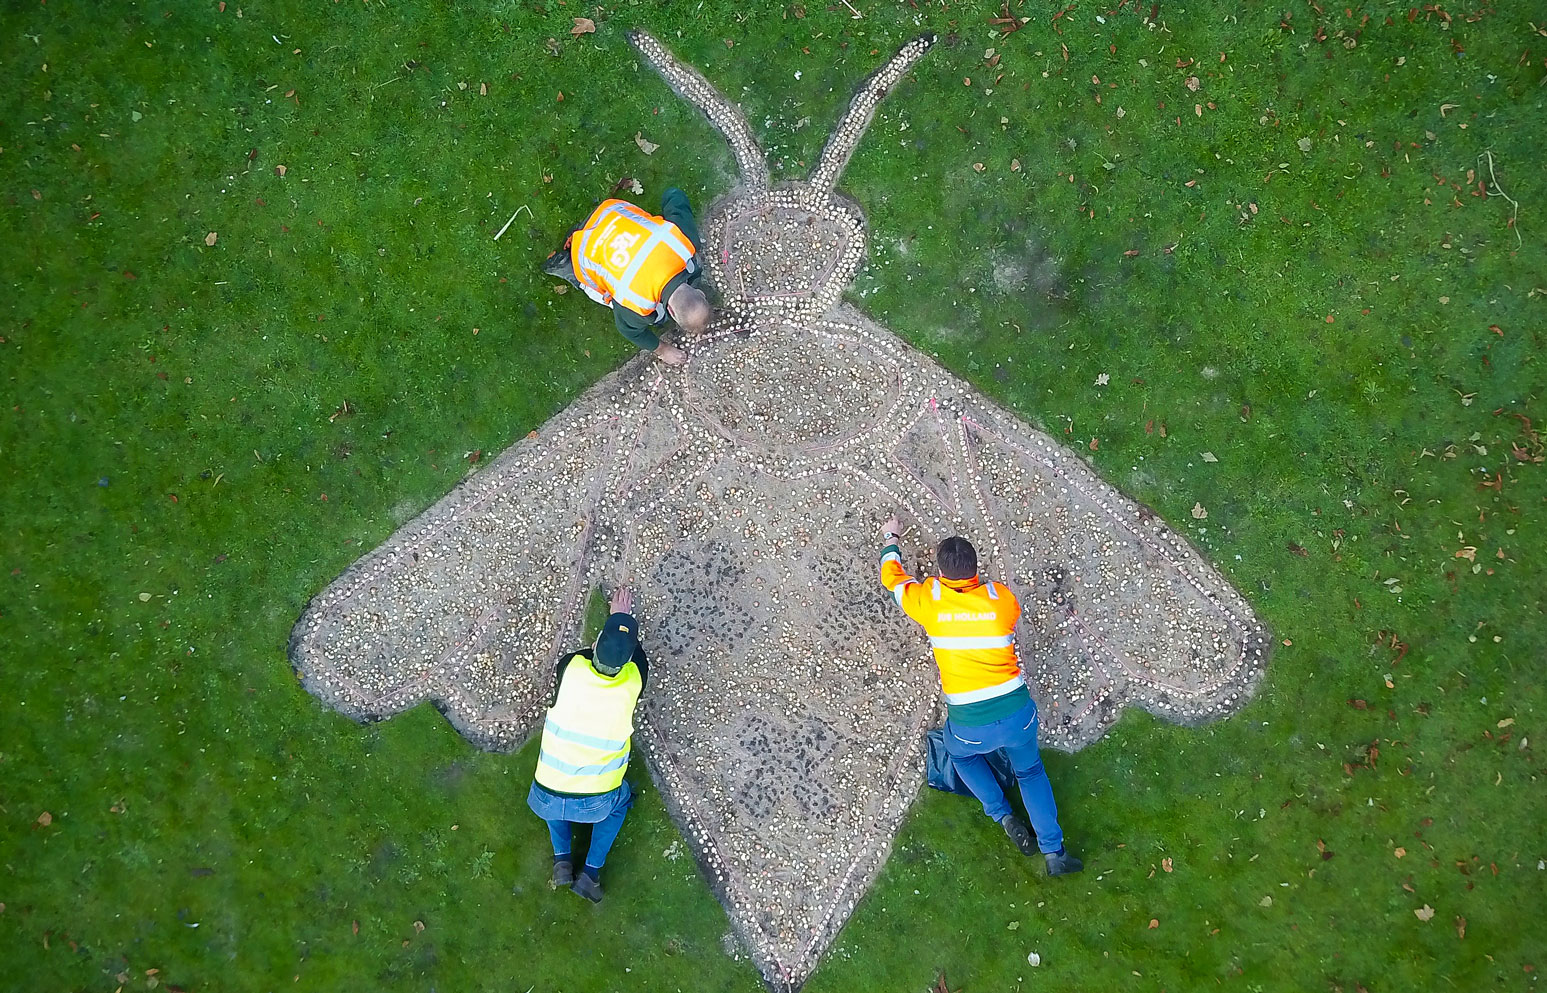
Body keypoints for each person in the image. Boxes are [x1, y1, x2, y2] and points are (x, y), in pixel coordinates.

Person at [878, 517, 1083, 876]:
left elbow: (892, 579)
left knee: (962, 757)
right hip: (1018, 713)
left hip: (970, 723)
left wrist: (891, 538)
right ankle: (1055, 853)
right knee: (1031, 771)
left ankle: (1003, 815)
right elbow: (1006, 617)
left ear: (941, 572)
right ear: (976, 568)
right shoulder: (1001, 600)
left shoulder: (929, 601)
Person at [525, 588, 650, 902]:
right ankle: (590, 874)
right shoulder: (634, 680)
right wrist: (622, 622)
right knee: (620, 803)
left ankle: (562, 860)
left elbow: (587, 656)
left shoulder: (571, 669)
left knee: (557, 793)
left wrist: (614, 621)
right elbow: (635, 659)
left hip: (545, 792)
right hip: (596, 801)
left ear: (595, 646)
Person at [542, 188, 712, 366]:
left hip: (609, 213)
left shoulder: (685, 242)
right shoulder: (637, 306)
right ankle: (568, 268)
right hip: (585, 250)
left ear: (701, 293)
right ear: (670, 311)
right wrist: (662, 350)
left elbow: (673, 195)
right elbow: (629, 331)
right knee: (606, 295)